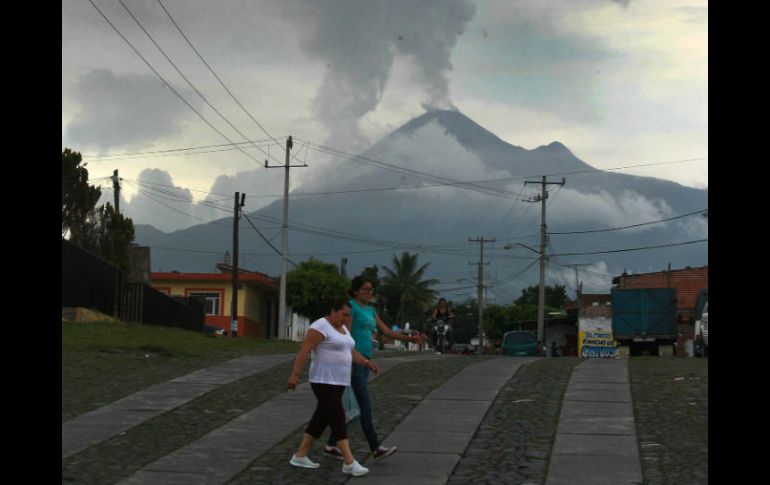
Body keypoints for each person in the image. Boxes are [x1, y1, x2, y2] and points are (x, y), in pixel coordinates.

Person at [324, 276, 423, 463]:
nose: (370, 292)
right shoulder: (351, 308)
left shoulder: (370, 310)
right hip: (354, 362)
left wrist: (409, 338)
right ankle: (375, 447)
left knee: (346, 405)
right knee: (364, 405)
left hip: (365, 362)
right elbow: (344, 335)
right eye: (366, 289)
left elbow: (386, 331)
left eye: (371, 289)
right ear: (355, 291)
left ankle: (331, 444)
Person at [287, 297, 378, 477]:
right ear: (333, 311)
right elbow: (304, 349)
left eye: (348, 315)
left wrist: (366, 362)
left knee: (321, 419)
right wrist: (295, 375)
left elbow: (350, 351)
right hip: (323, 380)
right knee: (338, 418)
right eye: (343, 315)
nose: (346, 318)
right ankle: (349, 461)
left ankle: (300, 455)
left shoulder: (343, 328)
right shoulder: (320, 326)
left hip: (340, 381)